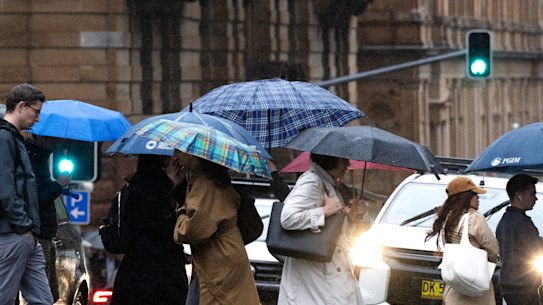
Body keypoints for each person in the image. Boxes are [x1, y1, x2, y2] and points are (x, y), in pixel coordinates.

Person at [173, 151, 260, 305]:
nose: (175, 155)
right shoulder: (207, 180)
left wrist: (180, 217)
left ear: (194, 155)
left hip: (220, 261)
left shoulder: (205, 185)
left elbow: (193, 231)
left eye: (179, 151)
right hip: (223, 257)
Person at [277, 153, 365, 305]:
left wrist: (350, 216)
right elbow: (288, 217)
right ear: (330, 158)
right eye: (343, 159)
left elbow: (334, 232)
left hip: (326, 275)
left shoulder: (327, 183)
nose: (347, 165)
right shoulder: (312, 181)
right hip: (315, 279)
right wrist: (325, 211)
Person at [109, 154, 189, 305]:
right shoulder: (160, 188)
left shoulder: (133, 186)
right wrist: (180, 212)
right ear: (159, 158)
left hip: (132, 272)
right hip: (163, 274)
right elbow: (160, 228)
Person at [0, 83, 53, 305]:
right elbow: (4, 188)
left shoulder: (13, 137)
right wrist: (23, 225)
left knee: (43, 300)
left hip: (26, 234)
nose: (38, 119)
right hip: (15, 233)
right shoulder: (4, 138)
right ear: (21, 106)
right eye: (36, 111)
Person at [425, 176, 499, 305]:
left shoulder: (447, 218)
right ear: (466, 197)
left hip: (454, 285)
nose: (478, 198)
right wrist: (486, 262)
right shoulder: (474, 218)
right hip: (475, 284)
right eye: (475, 194)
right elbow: (493, 249)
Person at [25, 135, 71, 302]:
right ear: (39, 136)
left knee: (49, 295)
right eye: (51, 137)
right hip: (38, 235)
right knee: (42, 295)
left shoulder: (39, 158)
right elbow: (35, 199)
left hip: (45, 235)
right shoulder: (31, 159)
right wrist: (58, 185)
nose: (55, 141)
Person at [496, 174, 543, 305]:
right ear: (519, 196)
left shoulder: (504, 220)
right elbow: (535, 249)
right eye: (532, 194)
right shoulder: (523, 223)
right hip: (525, 287)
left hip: (508, 285)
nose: (536, 198)